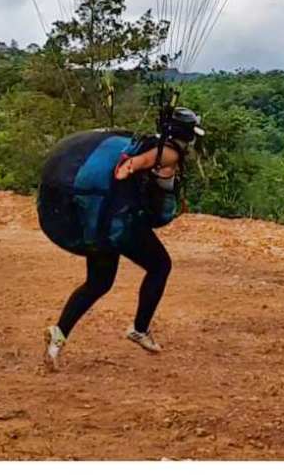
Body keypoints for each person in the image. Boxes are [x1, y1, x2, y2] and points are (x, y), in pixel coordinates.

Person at [42, 106, 204, 371]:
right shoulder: (168, 152)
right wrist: (135, 176)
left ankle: (57, 338)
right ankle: (139, 328)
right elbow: (123, 170)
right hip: (122, 225)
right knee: (161, 265)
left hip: (102, 224)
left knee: (98, 283)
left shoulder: (146, 143)